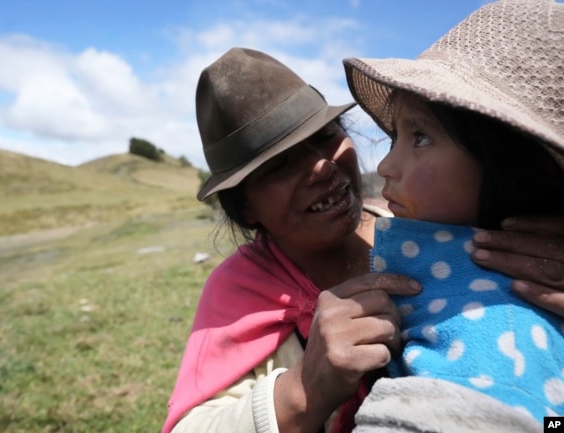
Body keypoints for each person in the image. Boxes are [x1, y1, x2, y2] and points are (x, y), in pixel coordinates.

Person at [163, 47, 564, 433]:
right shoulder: (239, 291)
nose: (321, 166)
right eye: (279, 165)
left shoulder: (429, 227)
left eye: (324, 136)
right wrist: (303, 390)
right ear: (245, 208)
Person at [342, 0, 564, 431]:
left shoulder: (495, 335)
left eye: (421, 137)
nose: (386, 166)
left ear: (508, 166)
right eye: (396, 137)